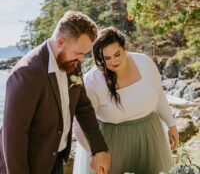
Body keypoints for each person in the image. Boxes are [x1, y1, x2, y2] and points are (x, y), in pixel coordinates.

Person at [0, 11, 111, 174]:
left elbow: (83, 107)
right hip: (29, 167)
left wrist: (99, 148)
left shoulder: (72, 62)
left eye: (84, 54)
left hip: (56, 159)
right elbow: (13, 138)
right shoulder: (26, 74)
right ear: (60, 41)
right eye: (78, 53)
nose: (81, 60)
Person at [73, 27, 179, 174]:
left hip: (150, 136)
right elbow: (79, 124)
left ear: (124, 48)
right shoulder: (92, 81)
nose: (114, 61)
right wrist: (96, 153)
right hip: (112, 144)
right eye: (107, 58)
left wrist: (171, 124)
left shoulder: (144, 62)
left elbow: (159, 94)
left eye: (117, 54)